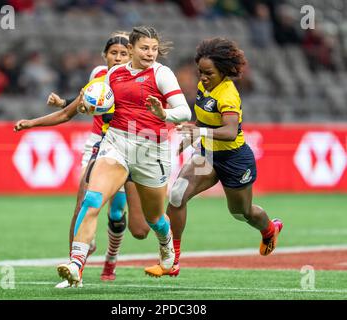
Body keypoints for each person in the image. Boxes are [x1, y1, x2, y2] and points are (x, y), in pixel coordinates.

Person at [56, 26, 192, 286]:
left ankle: (166, 244)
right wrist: (87, 106)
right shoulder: (115, 73)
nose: (150, 53)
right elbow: (101, 103)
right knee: (92, 199)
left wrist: (164, 115)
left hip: (151, 150)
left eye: (153, 48)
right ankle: (76, 264)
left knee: (154, 219)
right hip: (117, 144)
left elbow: (184, 112)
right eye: (144, 48)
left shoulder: (162, 74)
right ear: (131, 49)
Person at [14, 32, 150, 286]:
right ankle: (74, 266)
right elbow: (78, 108)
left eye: (123, 53)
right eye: (113, 53)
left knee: (138, 229)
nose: (118, 58)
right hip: (100, 145)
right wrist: (32, 122)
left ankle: (111, 257)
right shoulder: (98, 76)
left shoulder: (143, 78)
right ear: (105, 55)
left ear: (131, 55)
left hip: (133, 148)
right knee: (84, 201)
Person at [144, 37, 284, 277]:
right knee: (177, 195)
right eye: (200, 72)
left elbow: (230, 132)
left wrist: (198, 131)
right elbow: (205, 119)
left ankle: (270, 229)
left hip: (234, 159)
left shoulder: (228, 94)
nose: (203, 77)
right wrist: (193, 133)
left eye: (209, 73)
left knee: (242, 213)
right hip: (207, 154)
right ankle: (172, 261)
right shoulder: (203, 87)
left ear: (224, 71)